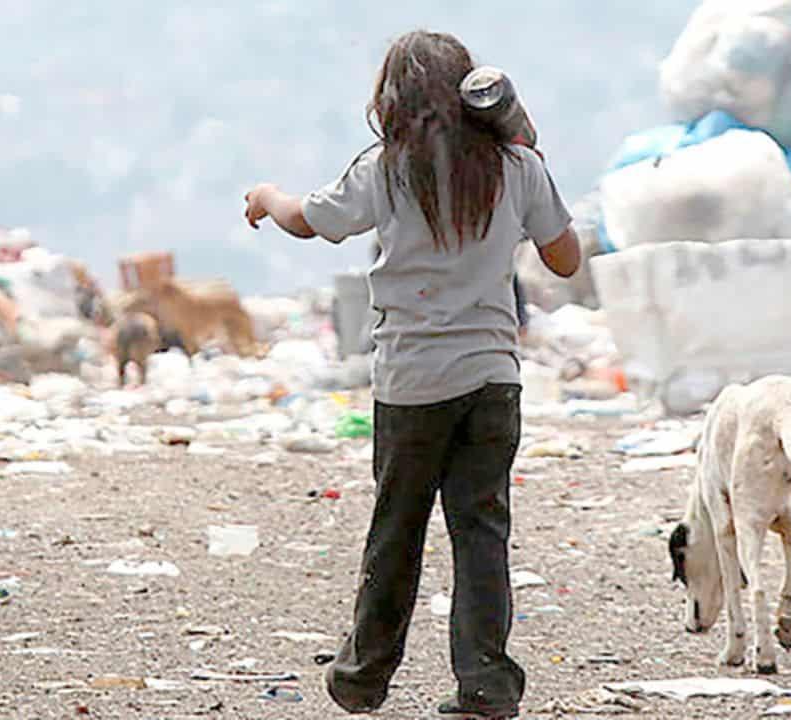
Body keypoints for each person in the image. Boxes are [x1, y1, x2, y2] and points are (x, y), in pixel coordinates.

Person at [243, 30, 579, 719]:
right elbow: (567, 260)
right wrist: (531, 160)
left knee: (397, 532)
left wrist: (266, 196)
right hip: (492, 379)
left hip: (411, 383)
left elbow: (312, 222)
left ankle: (363, 679)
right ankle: (485, 688)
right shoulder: (515, 167)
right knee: (481, 533)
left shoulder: (385, 168)